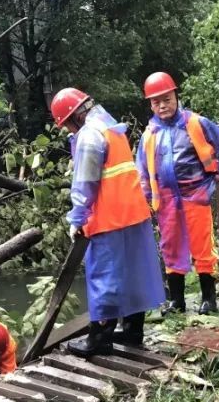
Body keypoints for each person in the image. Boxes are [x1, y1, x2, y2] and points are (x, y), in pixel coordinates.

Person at [50, 87, 166, 355]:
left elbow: (85, 182)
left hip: (108, 218)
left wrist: (78, 217)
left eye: (66, 125)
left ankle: (100, 339)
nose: (68, 130)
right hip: (133, 213)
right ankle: (133, 331)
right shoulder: (111, 127)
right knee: (133, 274)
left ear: (74, 116)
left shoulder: (90, 135)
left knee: (105, 278)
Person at [135, 71, 219, 314]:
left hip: (195, 194)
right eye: (156, 102)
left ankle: (209, 299)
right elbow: (142, 171)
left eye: (167, 99)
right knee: (170, 247)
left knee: (203, 245)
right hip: (165, 200)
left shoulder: (196, 123)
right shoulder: (149, 134)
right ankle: (177, 301)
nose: (163, 106)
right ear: (151, 105)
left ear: (176, 97)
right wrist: (145, 198)